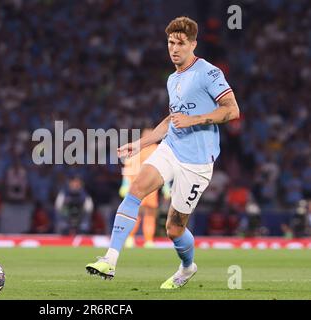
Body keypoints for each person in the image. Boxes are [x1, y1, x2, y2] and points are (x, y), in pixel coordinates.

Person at [86, 17, 240, 289]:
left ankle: (187, 266)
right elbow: (171, 121)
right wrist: (141, 143)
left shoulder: (208, 72)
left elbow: (231, 110)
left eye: (180, 43)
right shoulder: (172, 79)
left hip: (197, 163)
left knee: (174, 228)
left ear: (193, 44)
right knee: (136, 188)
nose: (174, 48)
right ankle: (109, 259)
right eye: (170, 42)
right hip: (171, 148)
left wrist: (193, 119)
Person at [119, 128, 159, 248]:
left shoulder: (157, 149)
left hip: (152, 188)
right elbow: (128, 167)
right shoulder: (137, 148)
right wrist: (125, 183)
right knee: (134, 213)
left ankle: (149, 240)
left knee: (150, 215)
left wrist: (167, 186)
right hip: (137, 186)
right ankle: (130, 238)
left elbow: (163, 167)